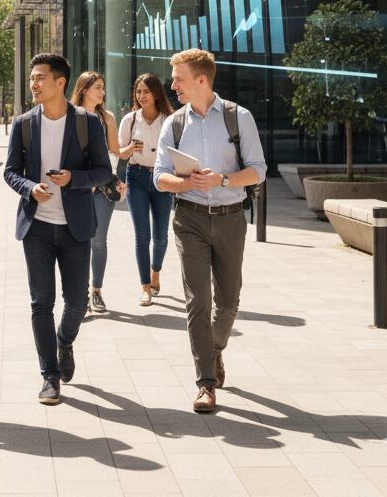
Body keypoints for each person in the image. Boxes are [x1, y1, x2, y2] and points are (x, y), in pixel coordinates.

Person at [154, 48, 266, 414]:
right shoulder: (174, 124)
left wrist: (223, 179)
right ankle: (205, 382)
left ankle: (214, 349)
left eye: (179, 79)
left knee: (229, 300)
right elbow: (159, 177)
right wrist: (185, 183)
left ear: (201, 80)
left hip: (232, 217)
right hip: (190, 219)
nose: (173, 86)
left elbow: (258, 170)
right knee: (197, 301)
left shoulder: (239, 117)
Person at [4, 54, 112, 405]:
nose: (33, 84)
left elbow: (103, 172)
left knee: (78, 302)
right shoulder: (23, 124)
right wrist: (28, 188)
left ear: (60, 83)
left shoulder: (87, 123)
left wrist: (72, 179)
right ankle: (49, 375)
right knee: (41, 303)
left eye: (39, 78)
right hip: (36, 226)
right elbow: (10, 172)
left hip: (75, 226)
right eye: (31, 78)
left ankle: (64, 341)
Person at [119, 73, 175, 308]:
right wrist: (130, 148)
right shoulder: (130, 120)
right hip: (137, 177)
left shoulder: (169, 120)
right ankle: (145, 288)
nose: (142, 96)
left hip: (162, 180)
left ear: (156, 94)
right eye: (138, 91)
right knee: (142, 235)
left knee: (161, 236)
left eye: (146, 91)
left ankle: (156, 272)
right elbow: (119, 153)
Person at [72, 72, 124, 315]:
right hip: (78, 187)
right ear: (84, 89)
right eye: (98, 88)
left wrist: (113, 178)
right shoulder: (70, 115)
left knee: (99, 240)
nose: (102, 92)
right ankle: (79, 294)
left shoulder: (107, 118)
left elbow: (113, 152)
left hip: (103, 187)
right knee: (78, 241)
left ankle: (96, 291)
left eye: (103, 87)